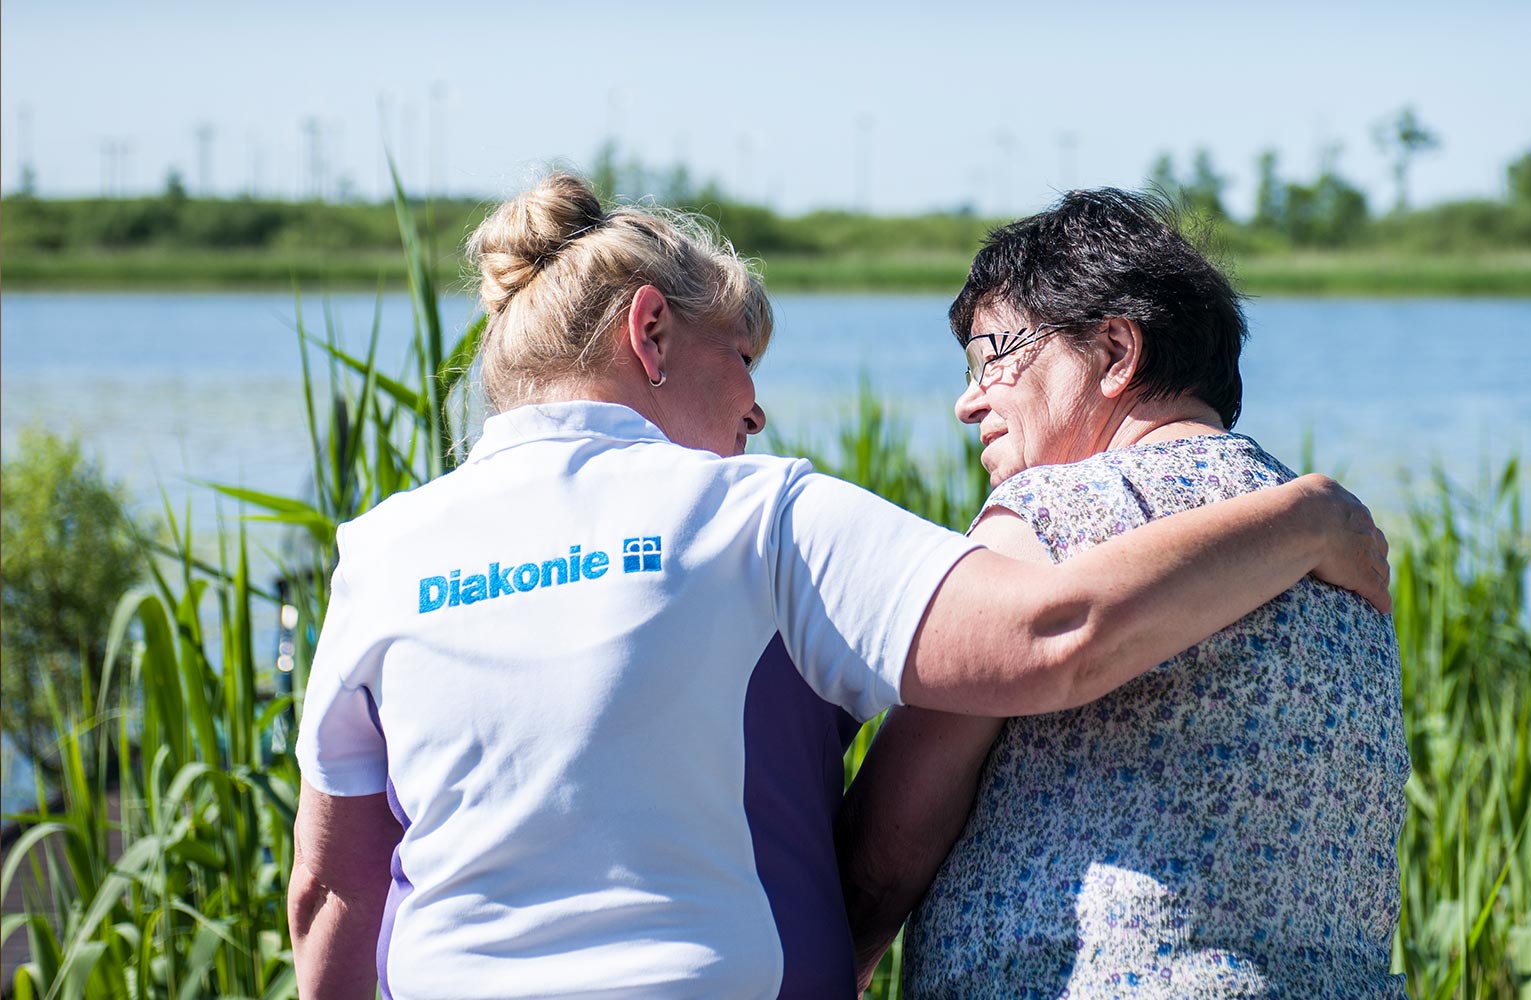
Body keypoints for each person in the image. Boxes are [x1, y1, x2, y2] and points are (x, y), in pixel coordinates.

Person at [288, 174, 1391, 1000]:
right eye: (745, 357)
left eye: (993, 358)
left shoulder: (379, 552)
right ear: (650, 330)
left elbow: (334, 890)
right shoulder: (754, 513)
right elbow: (1054, 632)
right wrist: (1311, 514)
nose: (756, 409)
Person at [839, 189, 1409, 998]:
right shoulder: (1350, 560)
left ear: (1115, 351)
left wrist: (829, 963)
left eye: (993, 356)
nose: (969, 400)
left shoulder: (1053, 516)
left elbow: (889, 842)